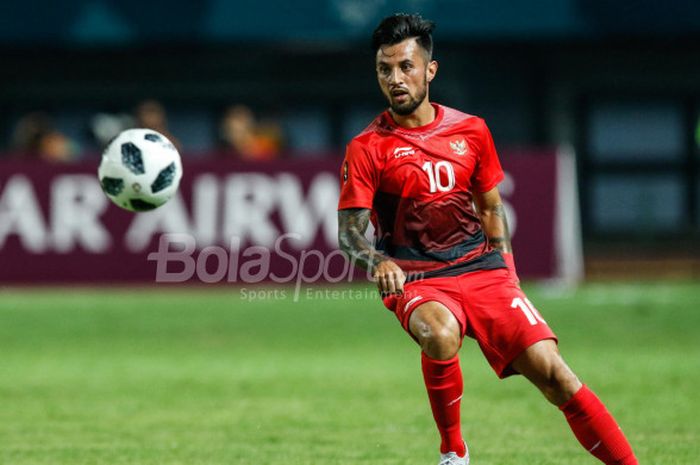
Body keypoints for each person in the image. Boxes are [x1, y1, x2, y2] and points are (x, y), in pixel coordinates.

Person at [337, 13, 637, 465]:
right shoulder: (367, 147)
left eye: (406, 66)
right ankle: (454, 453)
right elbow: (348, 234)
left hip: (484, 272)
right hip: (420, 278)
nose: (395, 79)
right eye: (385, 69)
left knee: (557, 376)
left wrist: (508, 274)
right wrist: (375, 261)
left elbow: (492, 207)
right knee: (439, 335)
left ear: (429, 70)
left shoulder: (471, 130)